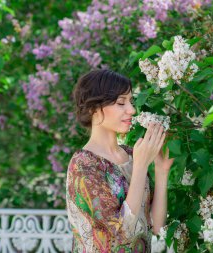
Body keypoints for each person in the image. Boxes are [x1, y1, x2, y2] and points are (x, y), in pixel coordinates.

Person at [66, 69, 174, 252]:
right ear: (94, 108)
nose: (131, 110)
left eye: (131, 102)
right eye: (120, 102)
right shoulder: (83, 165)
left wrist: (161, 170)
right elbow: (122, 234)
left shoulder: (133, 155)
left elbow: (155, 226)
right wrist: (140, 166)